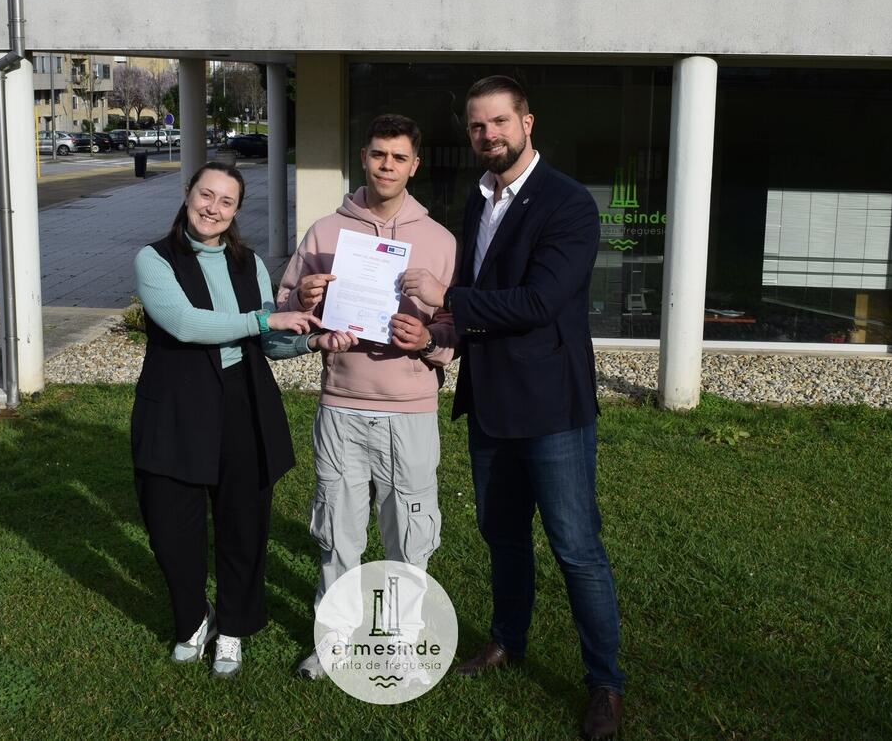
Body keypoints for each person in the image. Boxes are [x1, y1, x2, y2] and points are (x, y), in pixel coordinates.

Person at [400, 76, 625, 739]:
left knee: (576, 548)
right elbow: (481, 293)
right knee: (502, 537)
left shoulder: (568, 203)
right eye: (477, 126)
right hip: (491, 402)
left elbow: (539, 302)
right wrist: (436, 331)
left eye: (499, 121)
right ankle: (507, 640)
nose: (488, 135)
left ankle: (605, 683)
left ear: (528, 123)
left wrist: (447, 299)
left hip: (552, 408)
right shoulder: (480, 199)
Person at [131, 161, 350, 679]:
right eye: (206, 195)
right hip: (177, 406)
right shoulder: (154, 259)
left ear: (235, 211)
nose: (213, 208)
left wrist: (311, 340)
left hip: (242, 402)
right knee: (170, 530)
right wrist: (263, 318)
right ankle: (194, 619)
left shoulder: (247, 263)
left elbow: (268, 340)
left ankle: (233, 625)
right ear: (188, 193)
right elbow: (185, 324)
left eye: (226, 201)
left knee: (243, 526)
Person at [276, 114, 457, 679]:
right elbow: (283, 314)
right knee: (337, 533)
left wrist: (428, 341)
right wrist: (305, 301)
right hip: (343, 403)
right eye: (379, 154)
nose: (387, 166)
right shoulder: (325, 232)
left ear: (414, 165)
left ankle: (400, 641)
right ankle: (333, 640)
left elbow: (458, 328)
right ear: (363, 158)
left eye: (399, 157)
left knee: (410, 535)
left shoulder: (440, 240)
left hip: (410, 410)